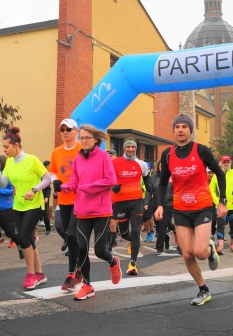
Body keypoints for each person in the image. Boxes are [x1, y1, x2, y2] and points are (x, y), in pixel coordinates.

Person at [155, 114, 226, 306]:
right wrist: (160, 204)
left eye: (184, 127)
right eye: (177, 127)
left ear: (190, 130)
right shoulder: (167, 154)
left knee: (200, 252)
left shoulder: (201, 150)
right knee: (187, 254)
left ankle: (210, 249)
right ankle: (203, 290)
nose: (180, 130)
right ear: (173, 130)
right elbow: (162, 183)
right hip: (181, 208)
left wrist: (222, 201)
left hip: (202, 206)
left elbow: (219, 173)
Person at [60, 124, 122, 300]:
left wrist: (88, 187)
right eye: (81, 138)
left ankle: (113, 261)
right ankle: (87, 285)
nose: (84, 141)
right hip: (82, 210)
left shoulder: (103, 157)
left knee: (100, 250)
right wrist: (66, 187)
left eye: (87, 137)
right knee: (81, 248)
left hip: (101, 210)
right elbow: (75, 181)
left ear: (96, 140)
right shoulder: (78, 158)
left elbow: (111, 180)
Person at [0, 127, 51, 290]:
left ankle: (31, 275)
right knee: (29, 240)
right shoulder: (9, 162)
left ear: (16, 145)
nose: (4, 150)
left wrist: (34, 189)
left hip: (34, 205)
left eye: (6, 147)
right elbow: (4, 183)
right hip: (18, 205)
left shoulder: (32, 160)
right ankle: (40, 274)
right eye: (3, 147)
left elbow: (47, 179)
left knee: (22, 238)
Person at [48, 118, 82, 292]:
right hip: (64, 199)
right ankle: (79, 267)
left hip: (80, 199)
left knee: (71, 233)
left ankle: (72, 274)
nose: (65, 132)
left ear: (76, 131)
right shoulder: (57, 152)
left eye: (68, 129)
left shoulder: (82, 149)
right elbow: (53, 171)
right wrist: (55, 181)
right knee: (62, 228)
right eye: (62, 129)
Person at [111, 138, 151, 276]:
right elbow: (106, 178)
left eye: (133, 147)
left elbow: (147, 179)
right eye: (128, 147)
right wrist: (112, 187)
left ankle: (133, 263)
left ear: (135, 148)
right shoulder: (114, 163)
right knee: (123, 233)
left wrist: (148, 196)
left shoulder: (141, 164)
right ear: (124, 149)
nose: (130, 150)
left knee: (135, 230)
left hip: (136, 201)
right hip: (120, 202)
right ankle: (133, 242)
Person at [210, 155, 233, 254]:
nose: (226, 164)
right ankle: (220, 246)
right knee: (220, 225)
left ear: (230, 163)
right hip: (220, 207)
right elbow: (211, 189)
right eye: (224, 162)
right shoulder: (216, 175)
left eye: (228, 162)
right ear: (220, 163)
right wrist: (217, 201)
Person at [150, 160, 174, 255]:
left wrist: (170, 197)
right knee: (159, 226)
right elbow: (149, 191)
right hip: (156, 204)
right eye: (160, 166)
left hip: (168, 204)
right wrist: (146, 203)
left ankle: (159, 248)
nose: (162, 168)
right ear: (158, 167)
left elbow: (176, 190)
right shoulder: (153, 178)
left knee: (163, 225)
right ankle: (167, 237)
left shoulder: (172, 177)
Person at [40, 160, 53, 235]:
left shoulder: (43, 177)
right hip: (36, 199)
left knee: (45, 214)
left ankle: (48, 229)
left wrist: (47, 197)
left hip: (44, 199)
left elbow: (48, 188)